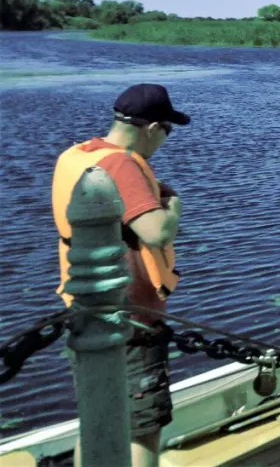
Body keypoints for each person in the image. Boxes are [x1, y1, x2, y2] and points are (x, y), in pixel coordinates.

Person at [52, 83, 190, 467]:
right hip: (130, 323)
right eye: (167, 130)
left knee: (97, 416)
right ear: (152, 128)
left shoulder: (83, 155)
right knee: (142, 429)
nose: (165, 140)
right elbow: (156, 231)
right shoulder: (121, 166)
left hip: (89, 312)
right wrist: (173, 207)